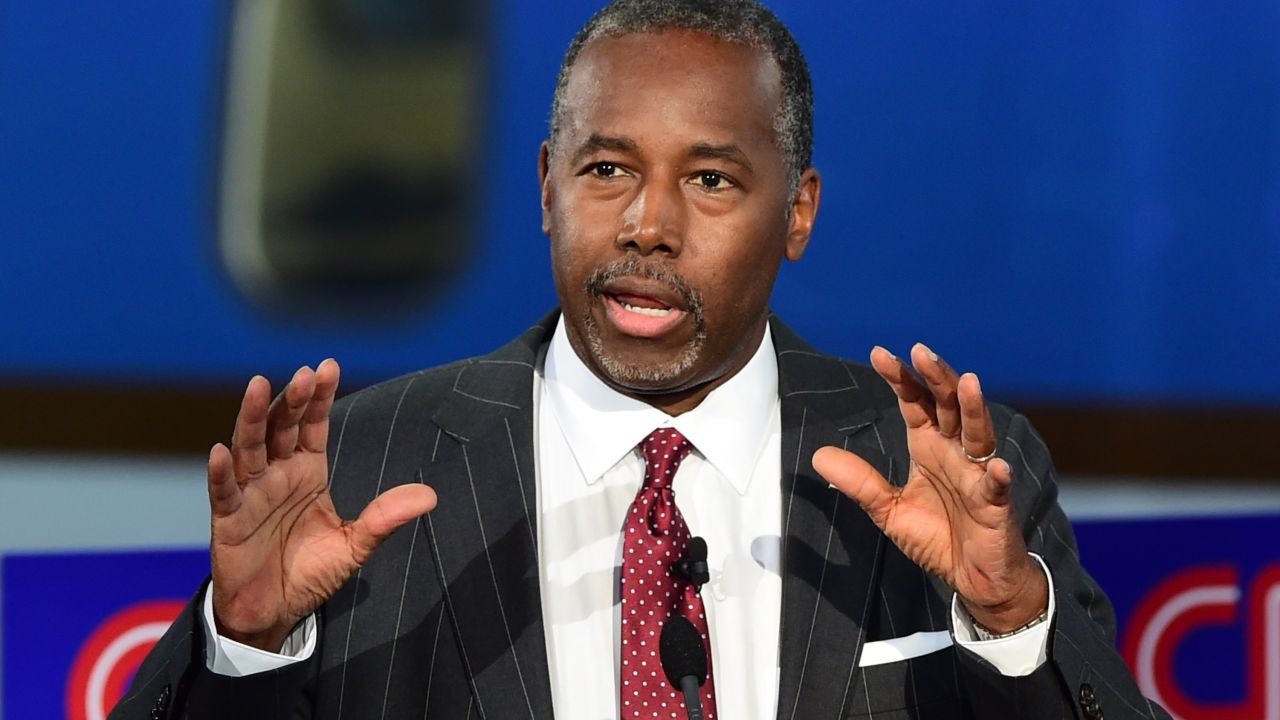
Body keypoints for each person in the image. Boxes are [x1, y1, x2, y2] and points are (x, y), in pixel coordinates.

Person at [112, 1, 1170, 718]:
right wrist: (240, 645)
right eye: (607, 168)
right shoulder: (364, 466)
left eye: (710, 181)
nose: (647, 226)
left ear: (796, 212)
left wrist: (1006, 622)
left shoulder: (931, 469)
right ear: (544, 190)